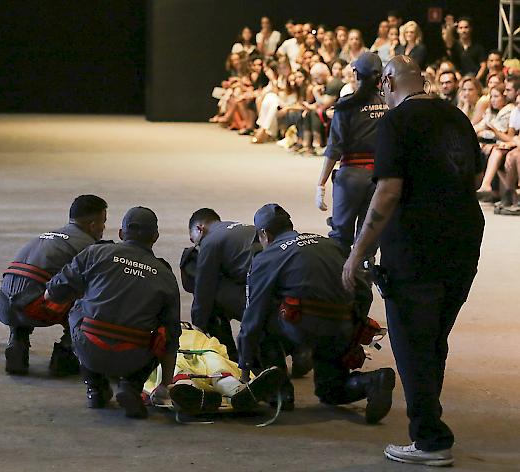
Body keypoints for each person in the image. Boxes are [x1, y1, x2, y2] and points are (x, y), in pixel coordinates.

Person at [342, 55, 484, 466]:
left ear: (387, 81)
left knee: (411, 347)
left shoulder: (396, 123)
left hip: (415, 251)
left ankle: (429, 441)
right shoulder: (455, 116)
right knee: (434, 341)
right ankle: (430, 427)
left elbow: (387, 191)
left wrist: (357, 253)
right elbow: (473, 177)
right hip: (462, 246)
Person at [237, 204, 396, 419]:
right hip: (342, 326)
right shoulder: (330, 244)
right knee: (330, 391)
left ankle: (280, 392)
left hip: (302, 326)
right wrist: (354, 333)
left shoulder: (267, 258)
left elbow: (252, 318)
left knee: (262, 320)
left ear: (264, 234)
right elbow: (363, 291)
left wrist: (245, 365)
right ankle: (373, 381)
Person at [45, 207, 181, 419]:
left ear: (120, 233)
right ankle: (132, 386)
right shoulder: (165, 274)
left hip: (90, 347)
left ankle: (95, 387)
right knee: (161, 331)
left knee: (77, 307)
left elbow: (54, 292)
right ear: (155, 237)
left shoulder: (96, 253)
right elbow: (172, 335)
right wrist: (165, 383)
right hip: (134, 356)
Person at [0, 195, 108, 376]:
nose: (103, 229)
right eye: (103, 222)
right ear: (92, 225)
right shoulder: (89, 247)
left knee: (31, 287)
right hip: (35, 308)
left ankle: (18, 341)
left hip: (2, 305)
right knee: (94, 299)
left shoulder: (45, 236)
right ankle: (66, 352)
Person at [316, 52, 387, 259]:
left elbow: (334, 148)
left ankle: (339, 285)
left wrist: (321, 183)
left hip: (350, 178)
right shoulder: (390, 104)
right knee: (368, 239)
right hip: (380, 178)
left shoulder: (345, 105)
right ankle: (362, 285)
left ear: (356, 74)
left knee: (340, 238)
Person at [143, 324, 284, 415]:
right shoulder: (160, 332)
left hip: (203, 349)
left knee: (214, 361)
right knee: (176, 364)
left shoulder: (198, 334)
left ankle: (237, 392)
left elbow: (217, 348)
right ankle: (188, 390)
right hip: (176, 352)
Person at [185, 209, 257, 361]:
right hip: (282, 289)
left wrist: (197, 329)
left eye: (194, 241)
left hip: (259, 298)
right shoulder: (240, 229)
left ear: (200, 228)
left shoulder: (210, 241)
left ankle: (230, 358)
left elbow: (203, 290)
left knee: (209, 301)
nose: (197, 246)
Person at [298, 62, 344, 154]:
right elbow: (319, 104)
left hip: (336, 111)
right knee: (308, 113)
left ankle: (317, 144)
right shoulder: (325, 85)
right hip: (328, 110)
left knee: (315, 113)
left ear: (323, 75)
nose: (315, 81)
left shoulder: (334, 84)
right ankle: (306, 144)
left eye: (316, 78)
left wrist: (315, 93)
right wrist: (309, 107)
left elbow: (325, 104)